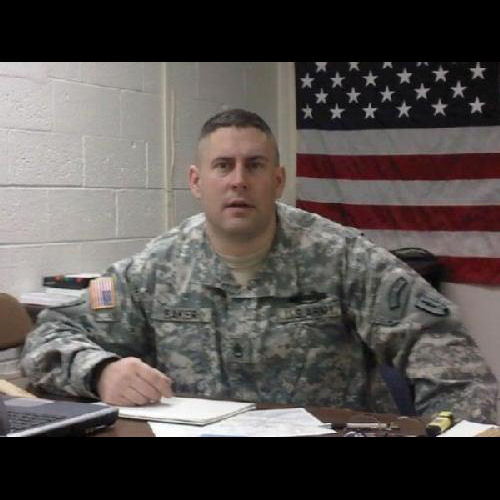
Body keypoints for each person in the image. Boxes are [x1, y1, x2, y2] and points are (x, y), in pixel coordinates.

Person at [21, 108, 497, 423]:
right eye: (223, 166)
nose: (238, 181)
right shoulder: (155, 268)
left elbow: (449, 359)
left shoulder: (343, 257)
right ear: (196, 181)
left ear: (278, 179)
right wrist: (101, 371)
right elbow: (49, 336)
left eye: (254, 165)